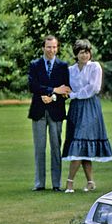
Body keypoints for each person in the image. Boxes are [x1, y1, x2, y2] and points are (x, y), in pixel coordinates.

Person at [62, 39, 112, 193]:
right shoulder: (71, 70)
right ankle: (90, 182)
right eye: (81, 52)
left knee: (79, 141)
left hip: (90, 107)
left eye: (87, 52)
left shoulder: (94, 67)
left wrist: (74, 94)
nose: (84, 55)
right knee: (82, 144)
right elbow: (66, 88)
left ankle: (69, 182)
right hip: (76, 108)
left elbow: (94, 88)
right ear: (76, 54)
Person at [28, 35, 71, 191]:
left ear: (57, 48)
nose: (51, 50)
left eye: (54, 47)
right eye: (48, 47)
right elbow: (33, 86)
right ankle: (39, 184)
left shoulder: (62, 66)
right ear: (43, 48)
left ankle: (56, 184)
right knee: (39, 149)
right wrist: (52, 90)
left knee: (55, 148)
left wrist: (51, 96)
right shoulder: (35, 65)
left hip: (56, 111)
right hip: (38, 111)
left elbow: (65, 89)